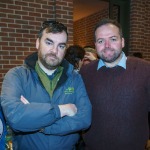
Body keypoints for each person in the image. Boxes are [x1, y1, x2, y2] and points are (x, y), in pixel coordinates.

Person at [0, 20, 92, 150]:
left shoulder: (74, 78)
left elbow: (85, 118)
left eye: (61, 46)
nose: (54, 51)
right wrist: (61, 110)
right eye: (49, 43)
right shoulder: (17, 76)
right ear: (37, 43)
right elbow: (16, 117)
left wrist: (40, 124)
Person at [80, 18, 150, 150]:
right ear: (95, 45)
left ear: (122, 42)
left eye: (113, 39)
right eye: (101, 41)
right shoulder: (85, 72)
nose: (107, 45)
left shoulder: (146, 70)